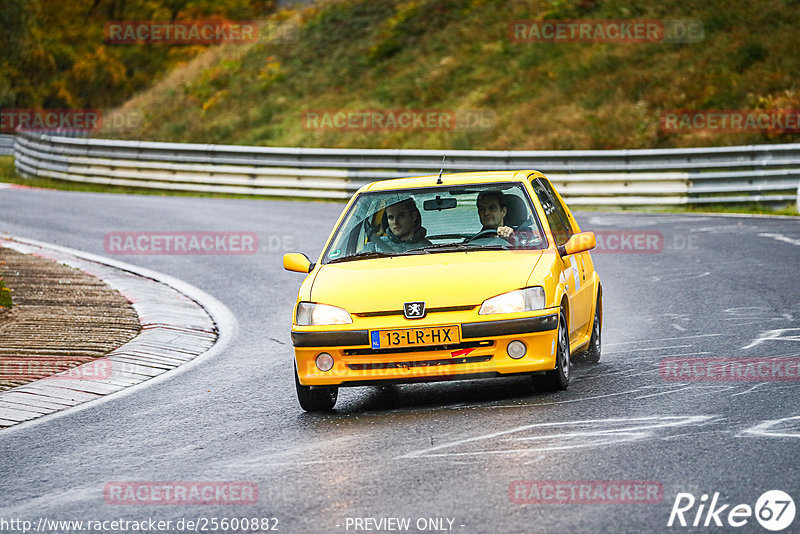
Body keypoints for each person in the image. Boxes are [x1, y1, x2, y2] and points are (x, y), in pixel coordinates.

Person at [364, 198, 432, 252]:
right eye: (391, 218)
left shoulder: (428, 248)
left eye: (400, 216)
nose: (395, 222)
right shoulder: (374, 247)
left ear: (413, 216)